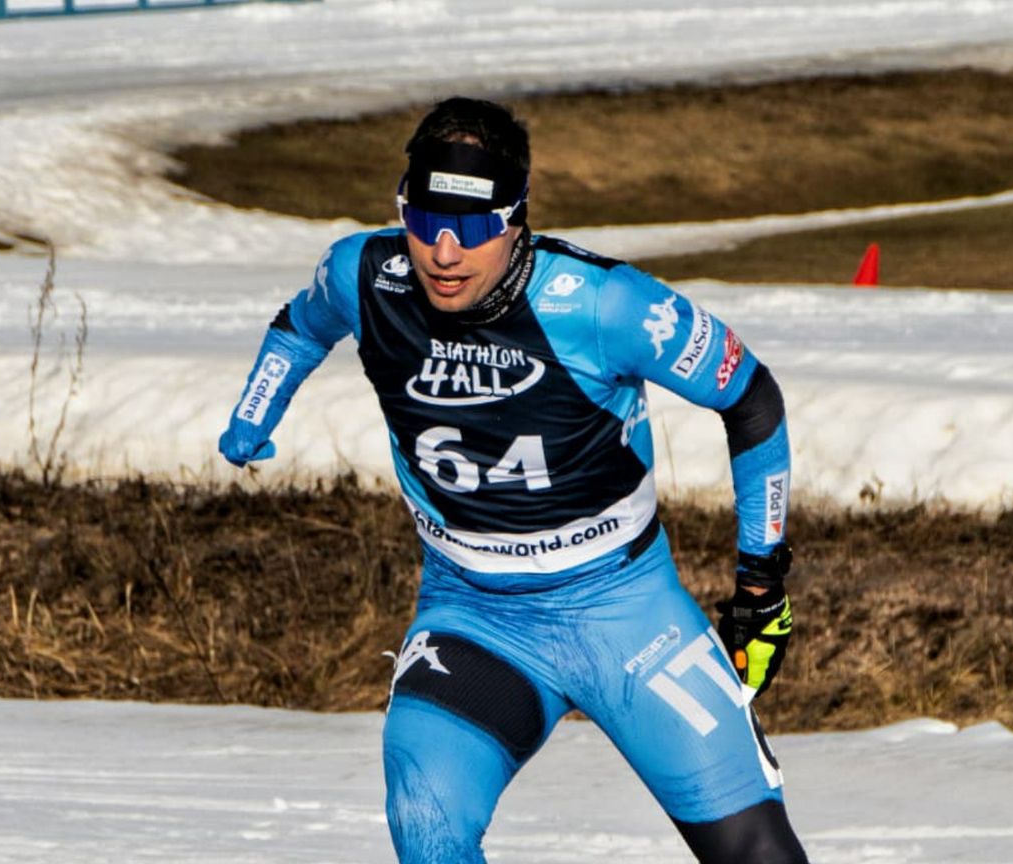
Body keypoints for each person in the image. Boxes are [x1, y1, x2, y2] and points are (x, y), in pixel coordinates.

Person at [219, 96, 807, 863]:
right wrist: (253, 413)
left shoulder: (606, 304)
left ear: (516, 218)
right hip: (475, 620)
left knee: (758, 854)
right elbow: (301, 324)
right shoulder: (363, 274)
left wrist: (762, 586)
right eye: (424, 221)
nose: (443, 253)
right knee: (426, 826)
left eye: (471, 229)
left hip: (625, 614)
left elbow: (753, 399)